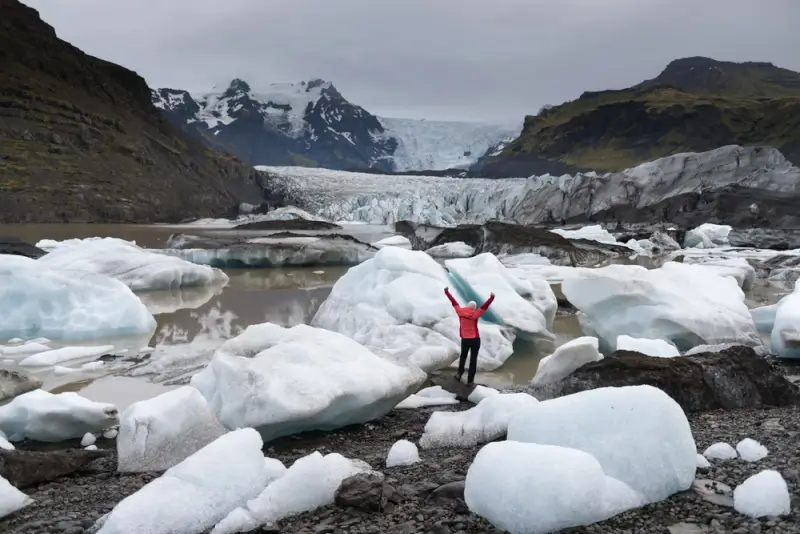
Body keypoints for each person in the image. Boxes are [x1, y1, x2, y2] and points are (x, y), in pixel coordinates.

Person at [443, 287, 495, 385]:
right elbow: (484, 306)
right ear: (474, 308)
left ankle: (459, 374)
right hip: (475, 340)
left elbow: (453, 301)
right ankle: (470, 381)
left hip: (465, 340)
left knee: (463, 357)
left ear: (467, 306)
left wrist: (447, 292)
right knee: (473, 360)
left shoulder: (460, 312)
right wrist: (491, 298)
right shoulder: (475, 314)